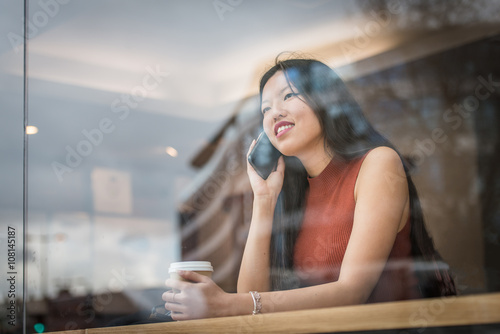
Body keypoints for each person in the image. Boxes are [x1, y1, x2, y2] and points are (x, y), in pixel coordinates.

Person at [162, 57, 455, 320]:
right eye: (265, 109)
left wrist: (225, 305)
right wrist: (264, 200)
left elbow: (352, 292)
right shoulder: (292, 194)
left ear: (325, 101)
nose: (274, 114)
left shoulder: (378, 164)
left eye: (288, 96)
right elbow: (250, 297)